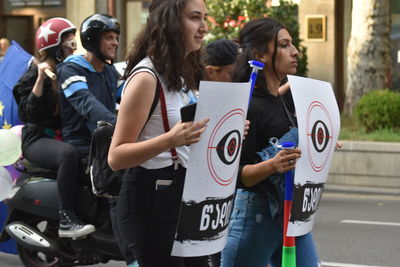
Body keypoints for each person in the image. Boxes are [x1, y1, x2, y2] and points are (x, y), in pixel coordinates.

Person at [107, 0, 210, 266]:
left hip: (185, 194)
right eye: (195, 18)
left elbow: (189, 135)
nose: (204, 27)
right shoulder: (146, 77)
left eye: (205, 18)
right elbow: (116, 157)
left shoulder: (185, 73)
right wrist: (169, 140)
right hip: (150, 198)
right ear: (171, 21)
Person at [220, 18, 321, 267]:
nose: (295, 51)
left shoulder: (280, 99)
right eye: (285, 45)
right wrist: (272, 165)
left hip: (292, 213)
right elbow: (236, 176)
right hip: (256, 217)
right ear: (260, 55)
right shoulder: (247, 105)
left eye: (292, 44)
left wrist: (319, 144)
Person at [56, 14, 137, 266]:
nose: (114, 43)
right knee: (116, 184)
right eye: (108, 38)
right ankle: (132, 257)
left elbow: (126, 102)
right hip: (84, 143)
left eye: (116, 38)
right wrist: (119, 125)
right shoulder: (72, 68)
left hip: (109, 137)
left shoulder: (109, 71)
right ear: (92, 40)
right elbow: (86, 104)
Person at [12, 17, 95, 239]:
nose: (73, 48)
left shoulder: (71, 70)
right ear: (55, 47)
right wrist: (40, 79)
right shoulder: (35, 74)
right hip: (37, 138)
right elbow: (28, 113)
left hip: (64, 135)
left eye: (74, 43)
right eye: (69, 44)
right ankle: (66, 218)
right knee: (69, 155)